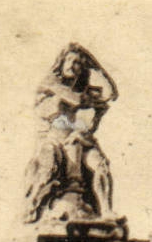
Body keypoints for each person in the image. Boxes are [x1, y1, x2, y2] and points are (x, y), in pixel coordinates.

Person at [23, 43, 118, 224]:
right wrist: (92, 100)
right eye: (71, 61)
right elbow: (76, 100)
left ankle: (106, 211)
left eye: (79, 64)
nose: (74, 67)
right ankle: (33, 207)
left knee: (101, 165)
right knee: (47, 169)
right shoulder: (51, 82)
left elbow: (111, 94)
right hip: (53, 139)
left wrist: (96, 67)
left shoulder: (80, 88)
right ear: (62, 62)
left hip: (77, 137)